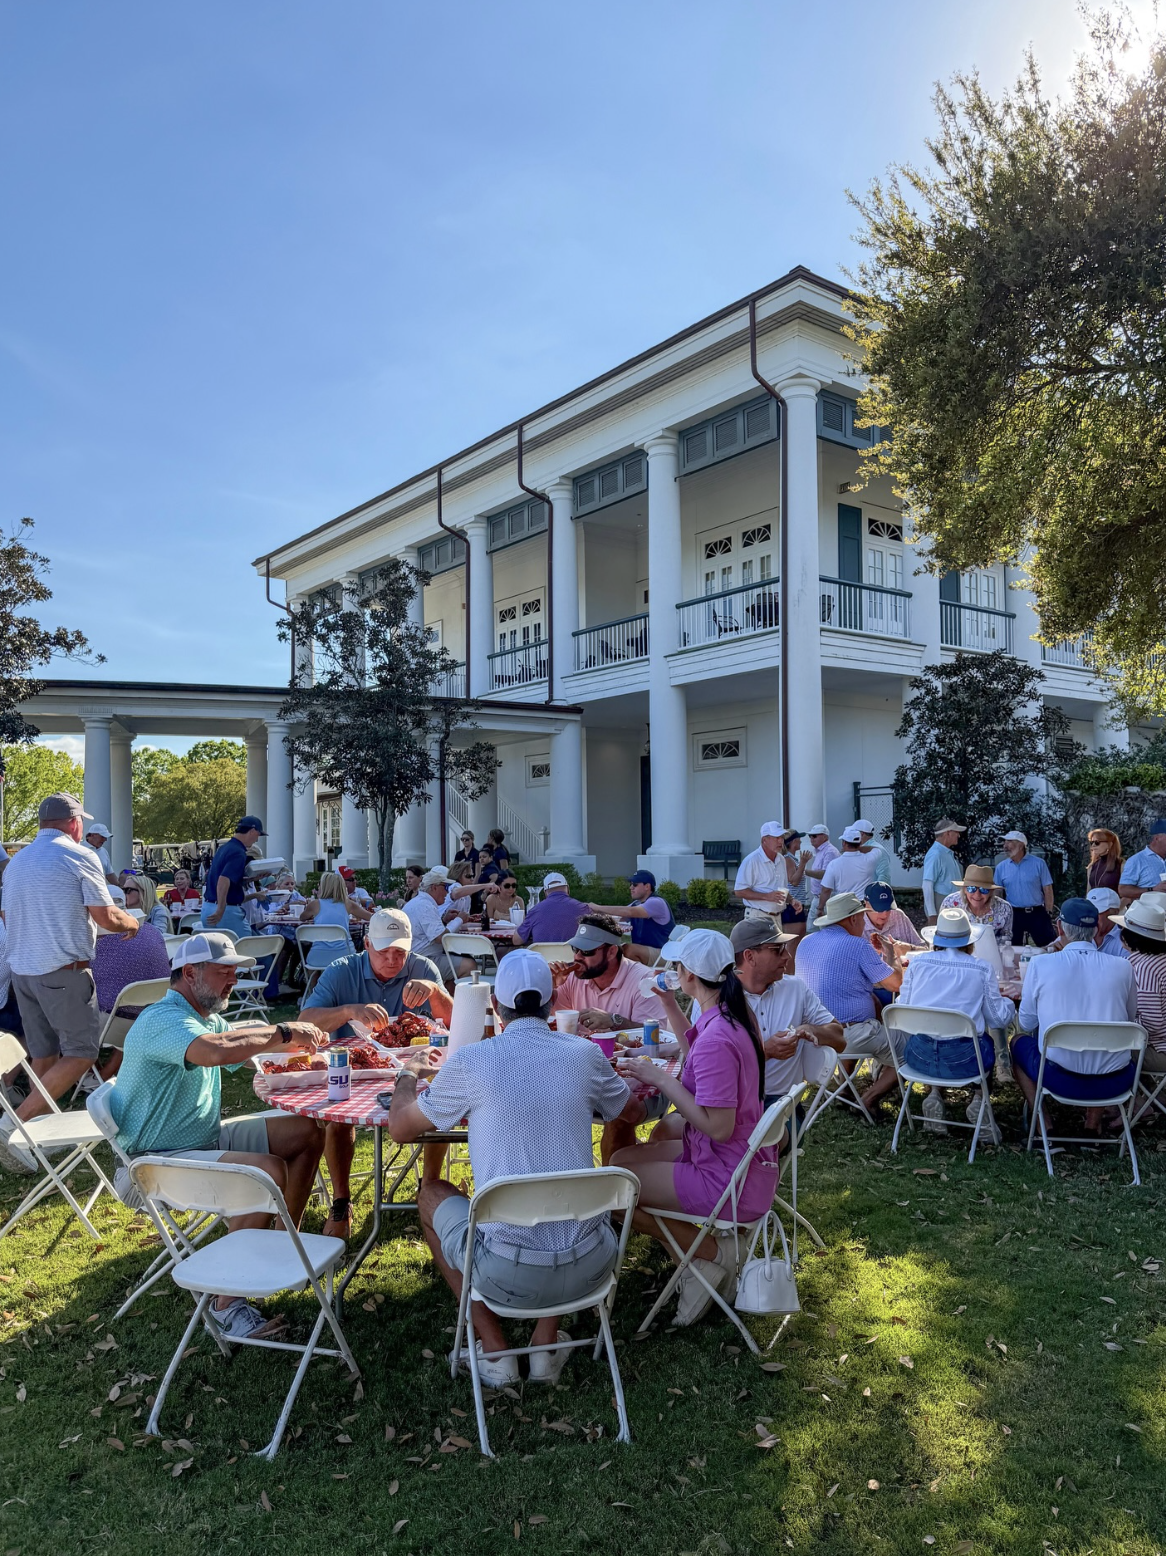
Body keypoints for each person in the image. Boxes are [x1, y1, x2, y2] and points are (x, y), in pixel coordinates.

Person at [387, 949, 637, 1386]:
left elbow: (401, 1129)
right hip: (592, 1267)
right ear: (551, 1001)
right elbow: (628, 1111)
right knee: (560, 1195)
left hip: (504, 1272)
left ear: (496, 1007)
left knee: (431, 1195)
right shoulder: (584, 1054)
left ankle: (497, 1351)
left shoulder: (471, 1061)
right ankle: (544, 1345)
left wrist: (407, 1075)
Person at [110, 932, 329, 1338]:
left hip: (198, 1143)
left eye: (235, 972)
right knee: (263, 1172)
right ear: (190, 973)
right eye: (224, 971)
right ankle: (226, 1303)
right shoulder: (162, 1018)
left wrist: (315, 1050)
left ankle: (282, 1247)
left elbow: (245, 1052)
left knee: (305, 1132)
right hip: (153, 1164)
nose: (233, 980)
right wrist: (281, 1032)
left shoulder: (205, 1018)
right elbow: (216, 1051)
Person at [612, 929, 776, 1325]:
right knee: (620, 1159)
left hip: (728, 1175)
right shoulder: (729, 1014)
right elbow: (700, 1062)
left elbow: (718, 1127)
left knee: (614, 1189)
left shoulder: (720, 1032)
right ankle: (694, 1262)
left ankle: (708, 1256)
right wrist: (669, 1003)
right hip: (738, 1160)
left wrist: (663, 1079)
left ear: (687, 973)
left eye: (676, 967)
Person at [0, 793, 141, 1173]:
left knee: (44, 1055)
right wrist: (133, 923)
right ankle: (13, 1124)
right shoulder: (80, 855)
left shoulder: (16, 863)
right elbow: (106, 915)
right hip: (62, 969)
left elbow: (6, 914)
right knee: (81, 1053)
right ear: (75, 822)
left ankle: (31, 1142)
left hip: (23, 971)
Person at [301, 907, 453, 1237]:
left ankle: (429, 1188)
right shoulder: (342, 971)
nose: (392, 960)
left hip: (416, 1074)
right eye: (383, 951)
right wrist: (347, 1011)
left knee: (439, 1103)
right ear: (366, 943)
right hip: (355, 1073)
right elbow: (304, 1020)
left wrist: (437, 994)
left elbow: (460, 1025)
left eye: (400, 952)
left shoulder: (423, 969)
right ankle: (342, 1201)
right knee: (337, 1116)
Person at [1011, 898, 1140, 1131]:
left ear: (1060, 928)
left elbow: (1026, 1022)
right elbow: (1128, 1021)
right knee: (1106, 1038)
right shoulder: (1123, 966)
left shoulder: (1041, 965)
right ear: (1097, 928)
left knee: (1018, 1042)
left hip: (1057, 1078)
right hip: (1115, 1080)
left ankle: (1043, 1123)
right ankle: (1092, 1126)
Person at [896, 908, 1016, 1141]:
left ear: (937, 939)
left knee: (934, 1035)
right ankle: (980, 1101)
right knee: (985, 1042)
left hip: (919, 1057)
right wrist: (1008, 1003)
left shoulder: (917, 965)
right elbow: (997, 1018)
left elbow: (904, 1007)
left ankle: (933, 1094)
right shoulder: (981, 968)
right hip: (965, 1060)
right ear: (969, 942)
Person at [794, 892, 903, 1116]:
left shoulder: (806, 942)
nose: (864, 922)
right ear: (852, 919)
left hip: (813, 1036)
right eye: (861, 917)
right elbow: (895, 984)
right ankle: (868, 1100)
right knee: (912, 1055)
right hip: (848, 1035)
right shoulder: (857, 946)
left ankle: (844, 1088)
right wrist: (892, 954)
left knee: (861, 1009)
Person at [729, 918, 843, 1109]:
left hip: (781, 1103)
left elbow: (840, 1039)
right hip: (730, 1101)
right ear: (749, 956)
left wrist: (810, 1029)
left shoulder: (795, 988)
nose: (788, 956)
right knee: (666, 1132)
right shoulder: (718, 998)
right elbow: (709, 1067)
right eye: (777, 950)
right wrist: (766, 1052)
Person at [1111, 897, 1166, 1106]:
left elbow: (1152, 1025)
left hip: (1160, 1050)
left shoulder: (1145, 968)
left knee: (1106, 1048)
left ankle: (1124, 1105)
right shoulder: (1158, 960)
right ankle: (1150, 1098)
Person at [589, 870, 675, 965]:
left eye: (635, 884)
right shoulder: (637, 903)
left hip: (663, 954)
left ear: (647, 886)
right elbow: (617, 916)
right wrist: (588, 911)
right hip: (648, 951)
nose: (631, 887)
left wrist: (597, 907)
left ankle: (639, 977)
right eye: (631, 884)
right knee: (612, 951)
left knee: (629, 950)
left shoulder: (656, 902)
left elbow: (629, 912)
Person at [201, 816, 265, 937]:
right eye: (258, 835)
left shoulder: (223, 848)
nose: (257, 840)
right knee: (247, 950)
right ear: (252, 831)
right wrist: (221, 909)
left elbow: (226, 879)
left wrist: (252, 879)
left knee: (217, 953)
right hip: (226, 911)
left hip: (207, 907)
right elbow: (223, 880)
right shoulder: (238, 852)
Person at [995, 831, 1056, 946]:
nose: (1005, 846)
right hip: (1013, 914)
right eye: (1005, 842)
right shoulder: (1001, 867)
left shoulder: (1039, 864)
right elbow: (998, 892)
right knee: (1011, 948)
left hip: (1036, 913)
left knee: (1048, 947)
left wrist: (1049, 912)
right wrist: (999, 913)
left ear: (1021, 845)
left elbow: (1047, 889)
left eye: (1009, 842)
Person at [941, 864, 1013, 951]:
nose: (977, 895)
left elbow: (1006, 938)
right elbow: (942, 936)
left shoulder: (1004, 908)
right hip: (958, 954)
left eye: (984, 889)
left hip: (991, 953)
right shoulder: (950, 904)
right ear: (964, 889)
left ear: (991, 892)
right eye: (971, 888)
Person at [733, 822, 789, 923]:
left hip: (777, 917)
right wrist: (766, 896)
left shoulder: (781, 859)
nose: (780, 841)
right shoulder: (751, 860)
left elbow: (780, 889)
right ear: (764, 840)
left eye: (782, 837)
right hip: (757, 917)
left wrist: (792, 900)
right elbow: (739, 891)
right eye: (776, 837)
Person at [512, 871, 588, 946]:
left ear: (545, 892)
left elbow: (516, 941)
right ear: (568, 889)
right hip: (573, 957)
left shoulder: (535, 911)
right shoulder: (583, 909)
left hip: (544, 957)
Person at [862, 882, 924, 968]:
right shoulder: (857, 923)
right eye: (879, 909)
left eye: (888, 909)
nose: (885, 914)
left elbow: (925, 950)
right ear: (866, 903)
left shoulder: (898, 915)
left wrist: (909, 948)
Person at [817, 826, 877, 913]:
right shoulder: (870, 859)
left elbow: (826, 890)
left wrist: (820, 908)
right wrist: (859, 848)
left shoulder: (834, 864)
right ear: (860, 843)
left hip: (843, 906)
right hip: (863, 906)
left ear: (844, 843)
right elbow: (876, 849)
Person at [922, 820, 966, 925]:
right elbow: (927, 885)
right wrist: (932, 913)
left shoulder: (944, 853)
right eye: (956, 832)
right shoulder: (936, 854)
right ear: (948, 833)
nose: (958, 835)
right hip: (942, 905)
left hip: (950, 905)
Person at [299, 871, 372, 930]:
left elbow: (302, 918)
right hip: (345, 947)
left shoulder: (314, 905)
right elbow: (371, 918)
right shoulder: (348, 904)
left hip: (319, 947)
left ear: (324, 887)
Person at [1118, 819, 1166, 905]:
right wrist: (1152, 889)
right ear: (1157, 838)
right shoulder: (1137, 860)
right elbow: (1123, 890)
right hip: (1148, 916)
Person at [778, 830, 813, 939]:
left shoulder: (792, 858)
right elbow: (794, 881)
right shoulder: (788, 859)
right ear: (793, 842)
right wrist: (803, 863)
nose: (800, 841)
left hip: (796, 903)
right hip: (792, 905)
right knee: (793, 941)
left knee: (797, 940)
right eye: (798, 839)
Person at [803, 824, 839, 926]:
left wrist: (804, 871)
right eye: (810, 836)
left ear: (825, 837)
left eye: (814, 836)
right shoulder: (821, 851)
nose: (811, 838)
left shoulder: (830, 852)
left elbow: (825, 875)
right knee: (811, 930)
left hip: (826, 899)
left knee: (821, 931)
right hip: (819, 898)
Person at [1087, 887, 1127, 958]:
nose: (1090, 917)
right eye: (1087, 911)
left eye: (1097, 912)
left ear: (1115, 912)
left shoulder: (1126, 941)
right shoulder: (1076, 933)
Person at [854, 819, 892, 886]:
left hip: (870, 895)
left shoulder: (878, 851)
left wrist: (876, 893)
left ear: (861, 834)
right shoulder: (857, 850)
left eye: (853, 832)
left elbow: (884, 877)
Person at [1087, 829, 1123, 893]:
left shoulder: (1121, 864)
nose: (1093, 845)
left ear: (1110, 844)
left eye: (1097, 842)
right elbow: (1088, 892)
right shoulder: (1092, 866)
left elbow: (1126, 894)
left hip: (1114, 902)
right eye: (1091, 842)